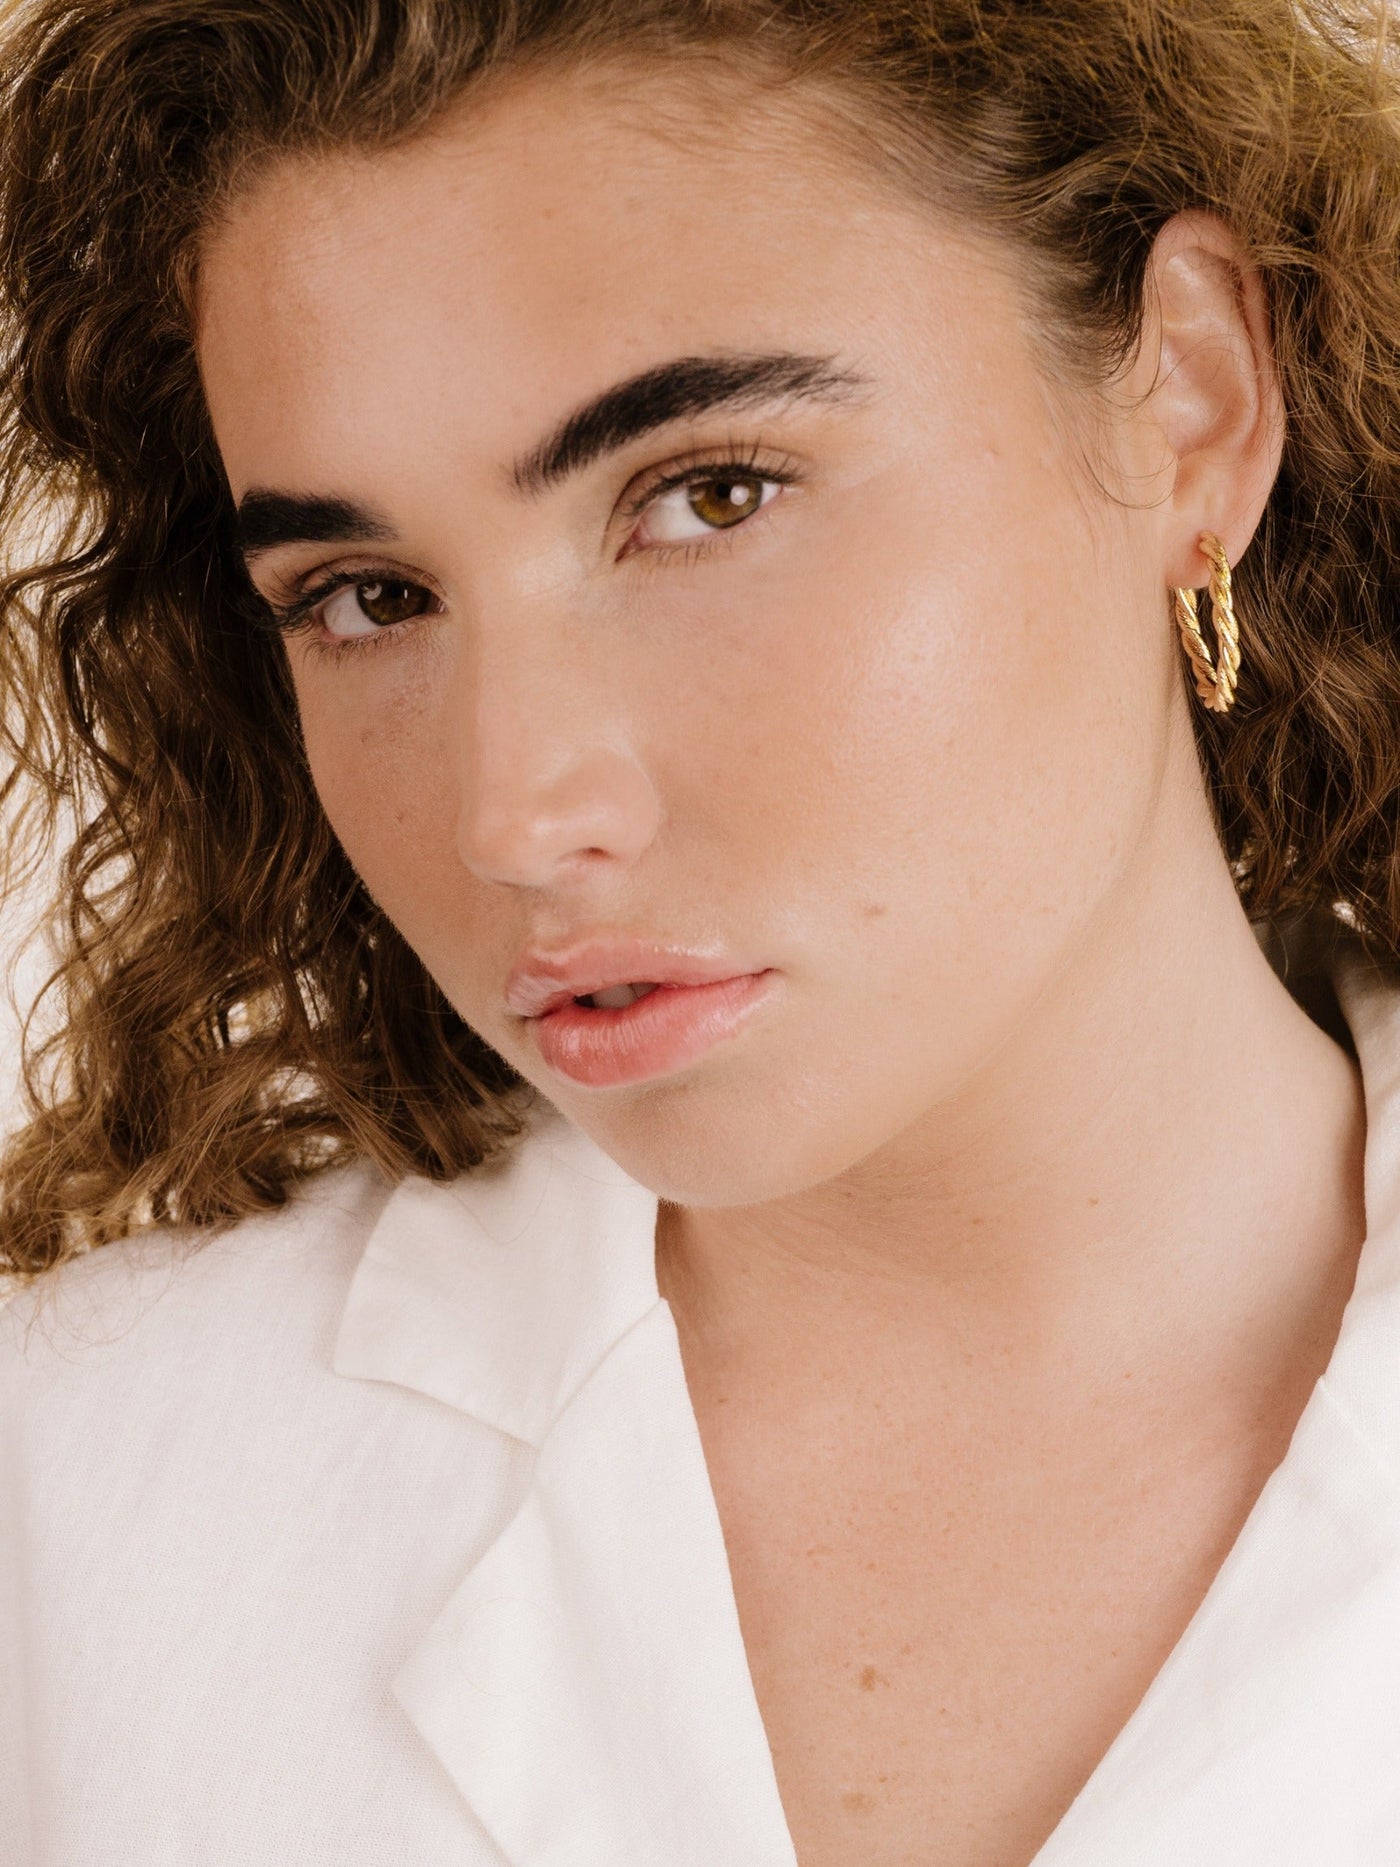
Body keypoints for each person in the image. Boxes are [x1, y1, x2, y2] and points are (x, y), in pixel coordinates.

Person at [2, 0, 1399, 1860]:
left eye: (707, 496)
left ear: (1194, 396)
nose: (515, 814)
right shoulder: (74, 1510)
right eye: (366, 595)